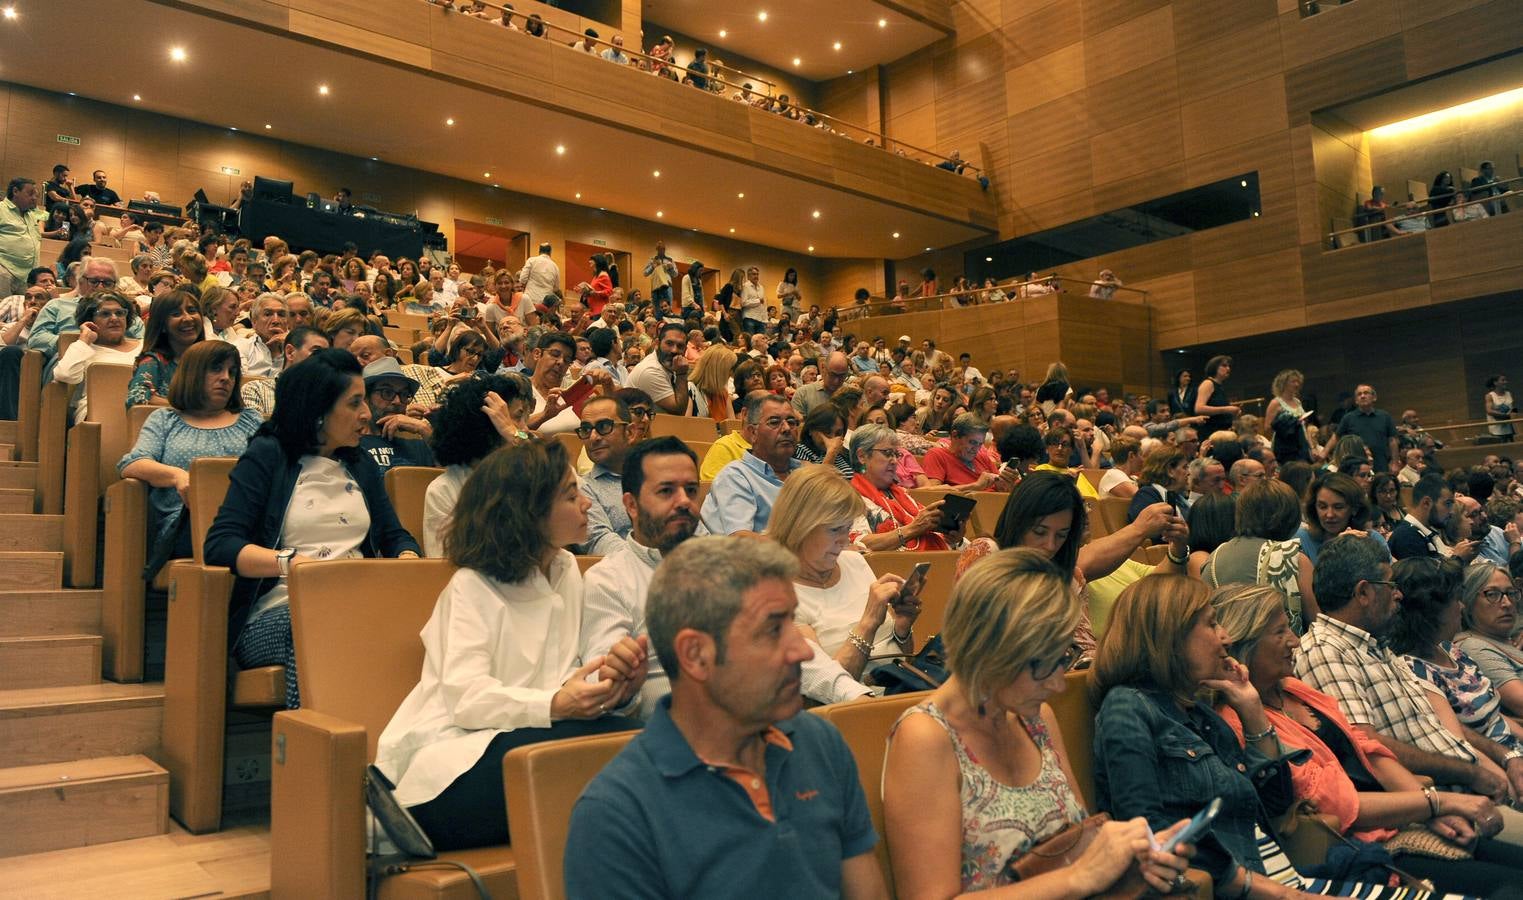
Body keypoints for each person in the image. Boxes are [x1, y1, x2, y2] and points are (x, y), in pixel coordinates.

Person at [563, 535, 887, 898]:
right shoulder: (617, 814)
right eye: (773, 630)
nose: (803, 651)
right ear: (696, 655)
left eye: (792, 624)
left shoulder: (821, 743)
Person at [376, 440, 641, 851]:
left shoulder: (565, 569)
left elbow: (562, 677)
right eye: (571, 495)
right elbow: (467, 700)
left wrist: (612, 686)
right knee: (622, 757)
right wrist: (556, 704)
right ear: (528, 511)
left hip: (530, 739)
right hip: (453, 762)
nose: (587, 503)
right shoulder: (471, 587)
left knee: (641, 742)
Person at [884, 548, 1196, 897]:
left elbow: (1078, 843)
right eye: (1044, 665)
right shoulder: (925, 737)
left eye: (1064, 658)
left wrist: (1132, 857)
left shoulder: (1034, 717)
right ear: (991, 650)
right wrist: (1077, 878)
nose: (1058, 684)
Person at [1211, 583, 1523, 895]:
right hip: (1357, 848)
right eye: (1280, 632)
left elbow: (1366, 747)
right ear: (1245, 645)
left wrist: (1434, 810)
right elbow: (1335, 803)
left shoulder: (1292, 688)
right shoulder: (1241, 720)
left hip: (1401, 817)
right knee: (1510, 888)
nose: (1294, 640)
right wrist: (1437, 803)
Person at [204, 349, 421, 709]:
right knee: (322, 623)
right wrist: (290, 562)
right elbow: (221, 545)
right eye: (354, 403)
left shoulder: (360, 464)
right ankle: (316, 736)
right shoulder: (269, 455)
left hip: (358, 602)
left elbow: (394, 536)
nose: (367, 414)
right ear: (319, 409)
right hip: (280, 611)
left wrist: (408, 558)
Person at [1093, 575, 1309, 899]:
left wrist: (1252, 711)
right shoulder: (1127, 707)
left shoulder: (1201, 714)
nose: (1226, 638)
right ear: (1171, 636)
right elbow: (1150, 837)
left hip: (1284, 875)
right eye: (1211, 624)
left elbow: (1276, 805)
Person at [1295, 535, 1520, 809]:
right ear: (1363, 592)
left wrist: (1503, 759)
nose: (1398, 594)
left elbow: (1439, 726)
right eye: (1390, 585)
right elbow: (1365, 745)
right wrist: (1469, 776)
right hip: (1445, 796)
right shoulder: (1326, 649)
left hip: (1470, 782)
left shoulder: (1374, 645)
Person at [769, 465, 916, 684]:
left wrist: (902, 628)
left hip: (896, 691)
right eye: (835, 529)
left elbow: (901, 656)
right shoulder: (778, 595)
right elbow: (827, 687)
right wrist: (868, 622)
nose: (845, 540)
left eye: (847, 529)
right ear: (799, 526)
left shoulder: (854, 562)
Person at [118, 341, 262, 562]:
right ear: (193, 373)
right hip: (185, 523)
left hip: (247, 519)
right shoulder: (165, 420)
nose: (226, 378)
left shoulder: (251, 420)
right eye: (216, 369)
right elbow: (132, 464)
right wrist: (178, 476)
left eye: (232, 372)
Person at [1391, 557, 1523, 789]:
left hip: (1513, 754)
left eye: (1511, 593)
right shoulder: (1413, 669)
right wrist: (1508, 782)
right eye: (1455, 599)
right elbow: (1459, 743)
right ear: (1431, 611)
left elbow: (1495, 718)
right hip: (1494, 773)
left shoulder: (1450, 650)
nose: (1461, 606)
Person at [420, 374, 530, 557]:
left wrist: (513, 433)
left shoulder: (526, 473)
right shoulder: (443, 489)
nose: (524, 428)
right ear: (489, 424)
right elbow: (444, 563)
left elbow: (561, 478)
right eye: (517, 417)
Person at [1200, 480, 1319, 634]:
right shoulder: (1292, 556)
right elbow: (1318, 623)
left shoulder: (1213, 557)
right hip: (1282, 647)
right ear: (1291, 516)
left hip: (1226, 646)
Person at [845, 423, 959, 552]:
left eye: (896, 454)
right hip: (895, 563)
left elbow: (931, 532)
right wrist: (913, 529)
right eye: (887, 453)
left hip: (932, 557)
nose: (894, 461)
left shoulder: (901, 492)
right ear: (862, 456)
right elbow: (858, 544)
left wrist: (954, 536)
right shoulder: (849, 497)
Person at [700, 393, 802, 534]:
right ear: (753, 433)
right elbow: (742, 539)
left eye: (791, 422)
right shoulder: (735, 476)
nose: (786, 428)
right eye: (774, 422)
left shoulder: (804, 472)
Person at [53, 291, 143, 423]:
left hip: (142, 410)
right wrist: (84, 339)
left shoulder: (145, 346)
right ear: (90, 320)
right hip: (98, 413)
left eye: (119, 313)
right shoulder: (83, 348)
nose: (114, 318)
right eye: (105, 314)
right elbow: (65, 375)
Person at [1456, 561, 1523, 720]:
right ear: (1467, 602)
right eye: (1492, 594)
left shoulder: (1505, 637)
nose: (1507, 603)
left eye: (1511, 593)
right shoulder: (1474, 648)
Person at [577, 395, 636, 556]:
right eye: (586, 429)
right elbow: (599, 541)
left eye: (603, 426)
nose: (593, 438)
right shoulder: (580, 488)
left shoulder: (656, 476)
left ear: (630, 432)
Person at [357, 357, 436, 474]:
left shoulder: (419, 445)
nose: (398, 401)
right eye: (387, 392)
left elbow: (454, 478)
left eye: (404, 394)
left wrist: (425, 429)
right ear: (365, 397)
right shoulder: (349, 444)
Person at [127, 288, 203, 407]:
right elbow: (136, 399)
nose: (188, 318)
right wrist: (188, 409)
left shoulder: (211, 360)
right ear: (162, 325)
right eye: (176, 314)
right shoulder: (153, 362)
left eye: (192, 311)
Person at [1296, 471, 1390, 565]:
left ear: (1355, 509)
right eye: (1322, 507)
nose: (1329, 514)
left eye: (1338, 507)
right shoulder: (1300, 540)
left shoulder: (1372, 539)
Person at [923, 413, 1016, 492]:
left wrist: (1006, 485)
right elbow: (932, 494)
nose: (976, 449)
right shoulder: (937, 455)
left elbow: (1000, 489)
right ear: (955, 435)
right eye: (972, 442)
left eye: (980, 444)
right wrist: (975, 486)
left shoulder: (983, 458)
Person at [1390, 472, 1469, 561]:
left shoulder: (1426, 533)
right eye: (1447, 504)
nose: (1451, 512)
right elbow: (1426, 571)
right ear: (1426, 503)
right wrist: (1458, 559)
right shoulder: (1407, 537)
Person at [627, 322, 691, 416]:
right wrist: (681, 374)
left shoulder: (668, 365)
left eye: (680, 346)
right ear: (657, 344)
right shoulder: (650, 371)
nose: (674, 350)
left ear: (685, 350)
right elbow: (679, 412)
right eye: (669, 343)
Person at [1331, 384, 1398, 474]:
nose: (1362, 396)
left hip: (1381, 463)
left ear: (1374, 397)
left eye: (1366, 393)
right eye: (1359, 394)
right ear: (1356, 400)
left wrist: (1395, 462)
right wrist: (1324, 453)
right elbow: (1336, 437)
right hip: (1357, 466)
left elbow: (1392, 440)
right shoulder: (1348, 418)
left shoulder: (1385, 416)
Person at [1128, 444, 1190, 522]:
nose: (1189, 473)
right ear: (1170, 471)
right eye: (1184, 467)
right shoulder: (1146, 496)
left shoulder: (1178, 498)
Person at [1263, 369, 1313, 463]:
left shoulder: (1297, 401)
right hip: (1284, 446)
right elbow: (1267, 428)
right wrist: (1285, 424)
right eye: (1293, 381)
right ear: (1284, 383)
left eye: (1298, 381)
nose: (1297, 384)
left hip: (1300, 442)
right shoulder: (1276, 402)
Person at [793, 404, 852, 478]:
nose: (833, 438)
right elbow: (814, 483)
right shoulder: (800, 451)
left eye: (838, 433)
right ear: (811, 430)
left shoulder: (845, 454)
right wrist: (831, 455)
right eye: (827, 432)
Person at [686, 343, 735, 421]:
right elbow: (685, 424)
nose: (731, 373)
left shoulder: (723, 393)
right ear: (717, 370)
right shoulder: (690, 389)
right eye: (729, 369)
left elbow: (733, 425)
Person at [1193, 355, 1239, 436]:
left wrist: (1232, 411)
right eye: (1224, 366)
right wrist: (1227, 409)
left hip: (1221, 432)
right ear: (1214, 367)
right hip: (1211, 433)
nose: (1228, 368)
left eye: (1228, 366)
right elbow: (1199, 408)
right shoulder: (1208, 383)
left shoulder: (1219, 386)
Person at [791, 350, 848, 416]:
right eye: (832, 375)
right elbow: (796, 421)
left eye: (842, 376)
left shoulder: (851, 393)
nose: (836, 381)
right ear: (823, 368)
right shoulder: (803, 394)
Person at [516, 242, 560, 308]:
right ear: (550, 252)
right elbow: (556, 288)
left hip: (530, 299)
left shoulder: (531, 260)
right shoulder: (555, 266)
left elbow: (522, 279)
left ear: (539, 251)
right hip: (546, 303)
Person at [642, 241, 677, 317]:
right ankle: (658, 320)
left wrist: (671, 268)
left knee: (668, 305)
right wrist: (652, 266)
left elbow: (675, 274)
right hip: (656, 287)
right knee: (657, 307)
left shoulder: (670, 260)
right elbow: (645, 273)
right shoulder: (653, 260)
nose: (661, 250)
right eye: (659, 249)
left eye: (663, 249)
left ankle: (668, 319)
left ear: (665, 249)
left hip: (667, 286)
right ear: (657, 249)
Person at [1487, 375, 1515, 443]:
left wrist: (1513, 414)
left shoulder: (1509, 394)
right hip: (1497, 430)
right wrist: (1504, 415)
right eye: (1503, 380)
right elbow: (1489, 411)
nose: (1505, 382)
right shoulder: (1490, 396)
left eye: (1506, 380)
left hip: (1510, 429)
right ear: (1495, 383)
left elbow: (1513, 408)